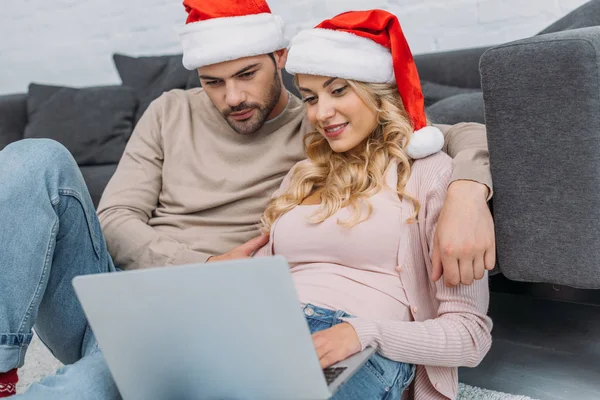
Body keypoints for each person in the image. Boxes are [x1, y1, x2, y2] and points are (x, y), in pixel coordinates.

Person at [0, 1, 492, 398]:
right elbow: (114, 219)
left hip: (232, 314)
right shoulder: (177, 114)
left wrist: (468, 192)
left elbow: (446, 132)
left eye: (246, 75)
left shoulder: (321, 129)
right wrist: (210, 264)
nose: (232, 97)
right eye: (213, 81)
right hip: (135, 297)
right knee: (31, 158)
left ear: (280, 58)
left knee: (87, 386)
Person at [253, 9, 492, 399]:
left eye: (338, 90)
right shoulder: (301, 174)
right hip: (267, 327)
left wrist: (363, 332)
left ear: (377, 90)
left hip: (361, 344)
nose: (321, 113)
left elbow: (470, 335)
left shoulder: (429, 172)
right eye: (311, 98)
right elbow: (258, 282)